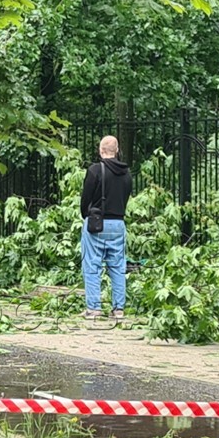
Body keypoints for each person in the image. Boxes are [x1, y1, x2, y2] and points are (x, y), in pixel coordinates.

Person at [80, 136, 132, 321]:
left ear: (100, 150)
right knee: (118, 266)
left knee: (92, 265)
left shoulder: (95, 170)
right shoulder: (126, 173)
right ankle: (118, 309)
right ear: (116, 150)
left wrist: (86, 214)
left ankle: (94, 308)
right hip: (118, 224)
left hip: (97, 223)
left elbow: (85, 199)